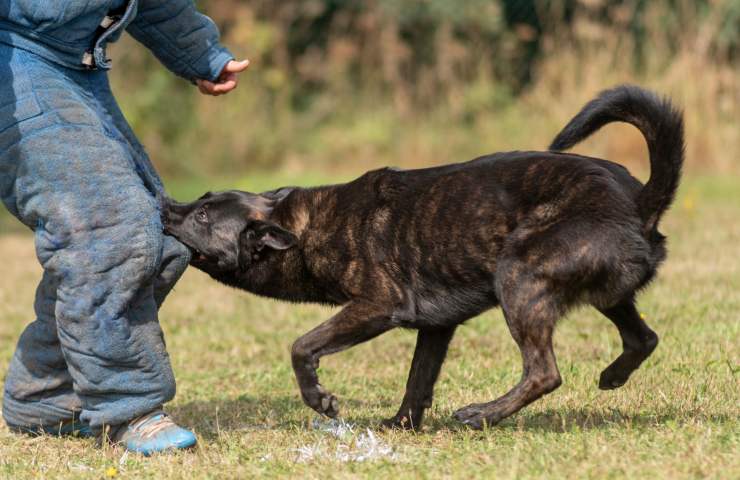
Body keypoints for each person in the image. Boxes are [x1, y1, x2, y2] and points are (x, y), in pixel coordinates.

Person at [0, 0, 247, 455]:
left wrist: (200, 53)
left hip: (78, 71)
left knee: (165, 233)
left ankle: (46, 396)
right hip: (14, 69)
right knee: (110, 232)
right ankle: (126, 403)